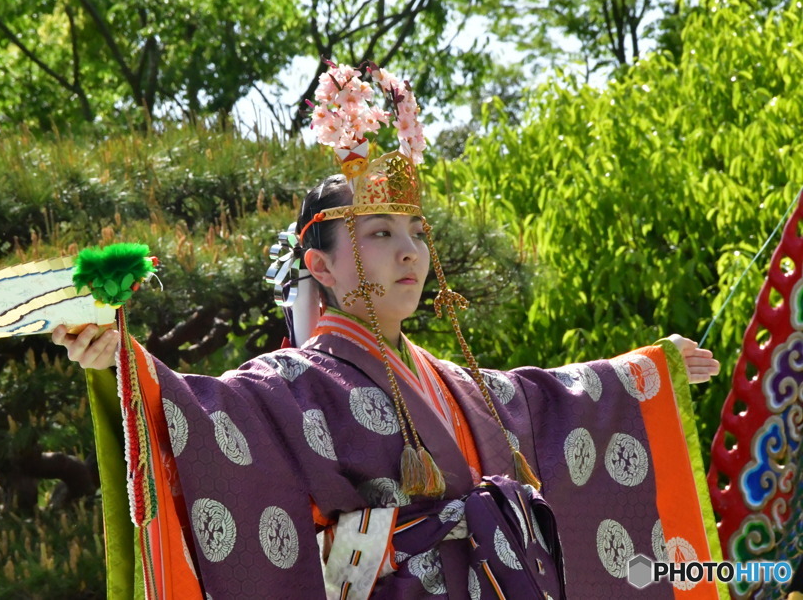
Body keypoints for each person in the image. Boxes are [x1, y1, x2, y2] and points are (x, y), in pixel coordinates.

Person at [54, 62, 723, 599]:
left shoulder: (459, 382)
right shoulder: (289, 383)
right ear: (322, 265)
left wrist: (643, 377)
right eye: (379, 233)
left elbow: (550, 400)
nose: (410, 252)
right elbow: (198, 411)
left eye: (416, 233)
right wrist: (126, 361)